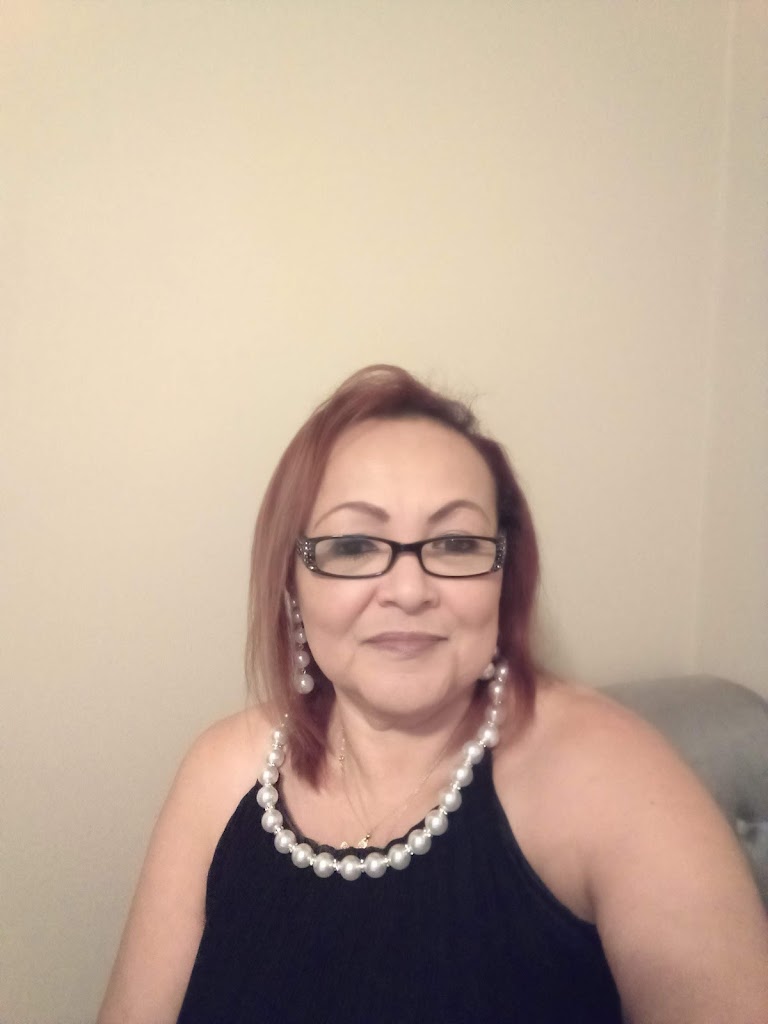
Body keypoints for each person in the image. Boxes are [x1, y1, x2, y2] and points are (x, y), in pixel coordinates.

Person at [98, 365, 768, 1024]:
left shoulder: (609, 775)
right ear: (291, 585)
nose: (409, 590)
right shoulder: (221, 772)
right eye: (353, 545)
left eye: (454, 542)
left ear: (504, 576)